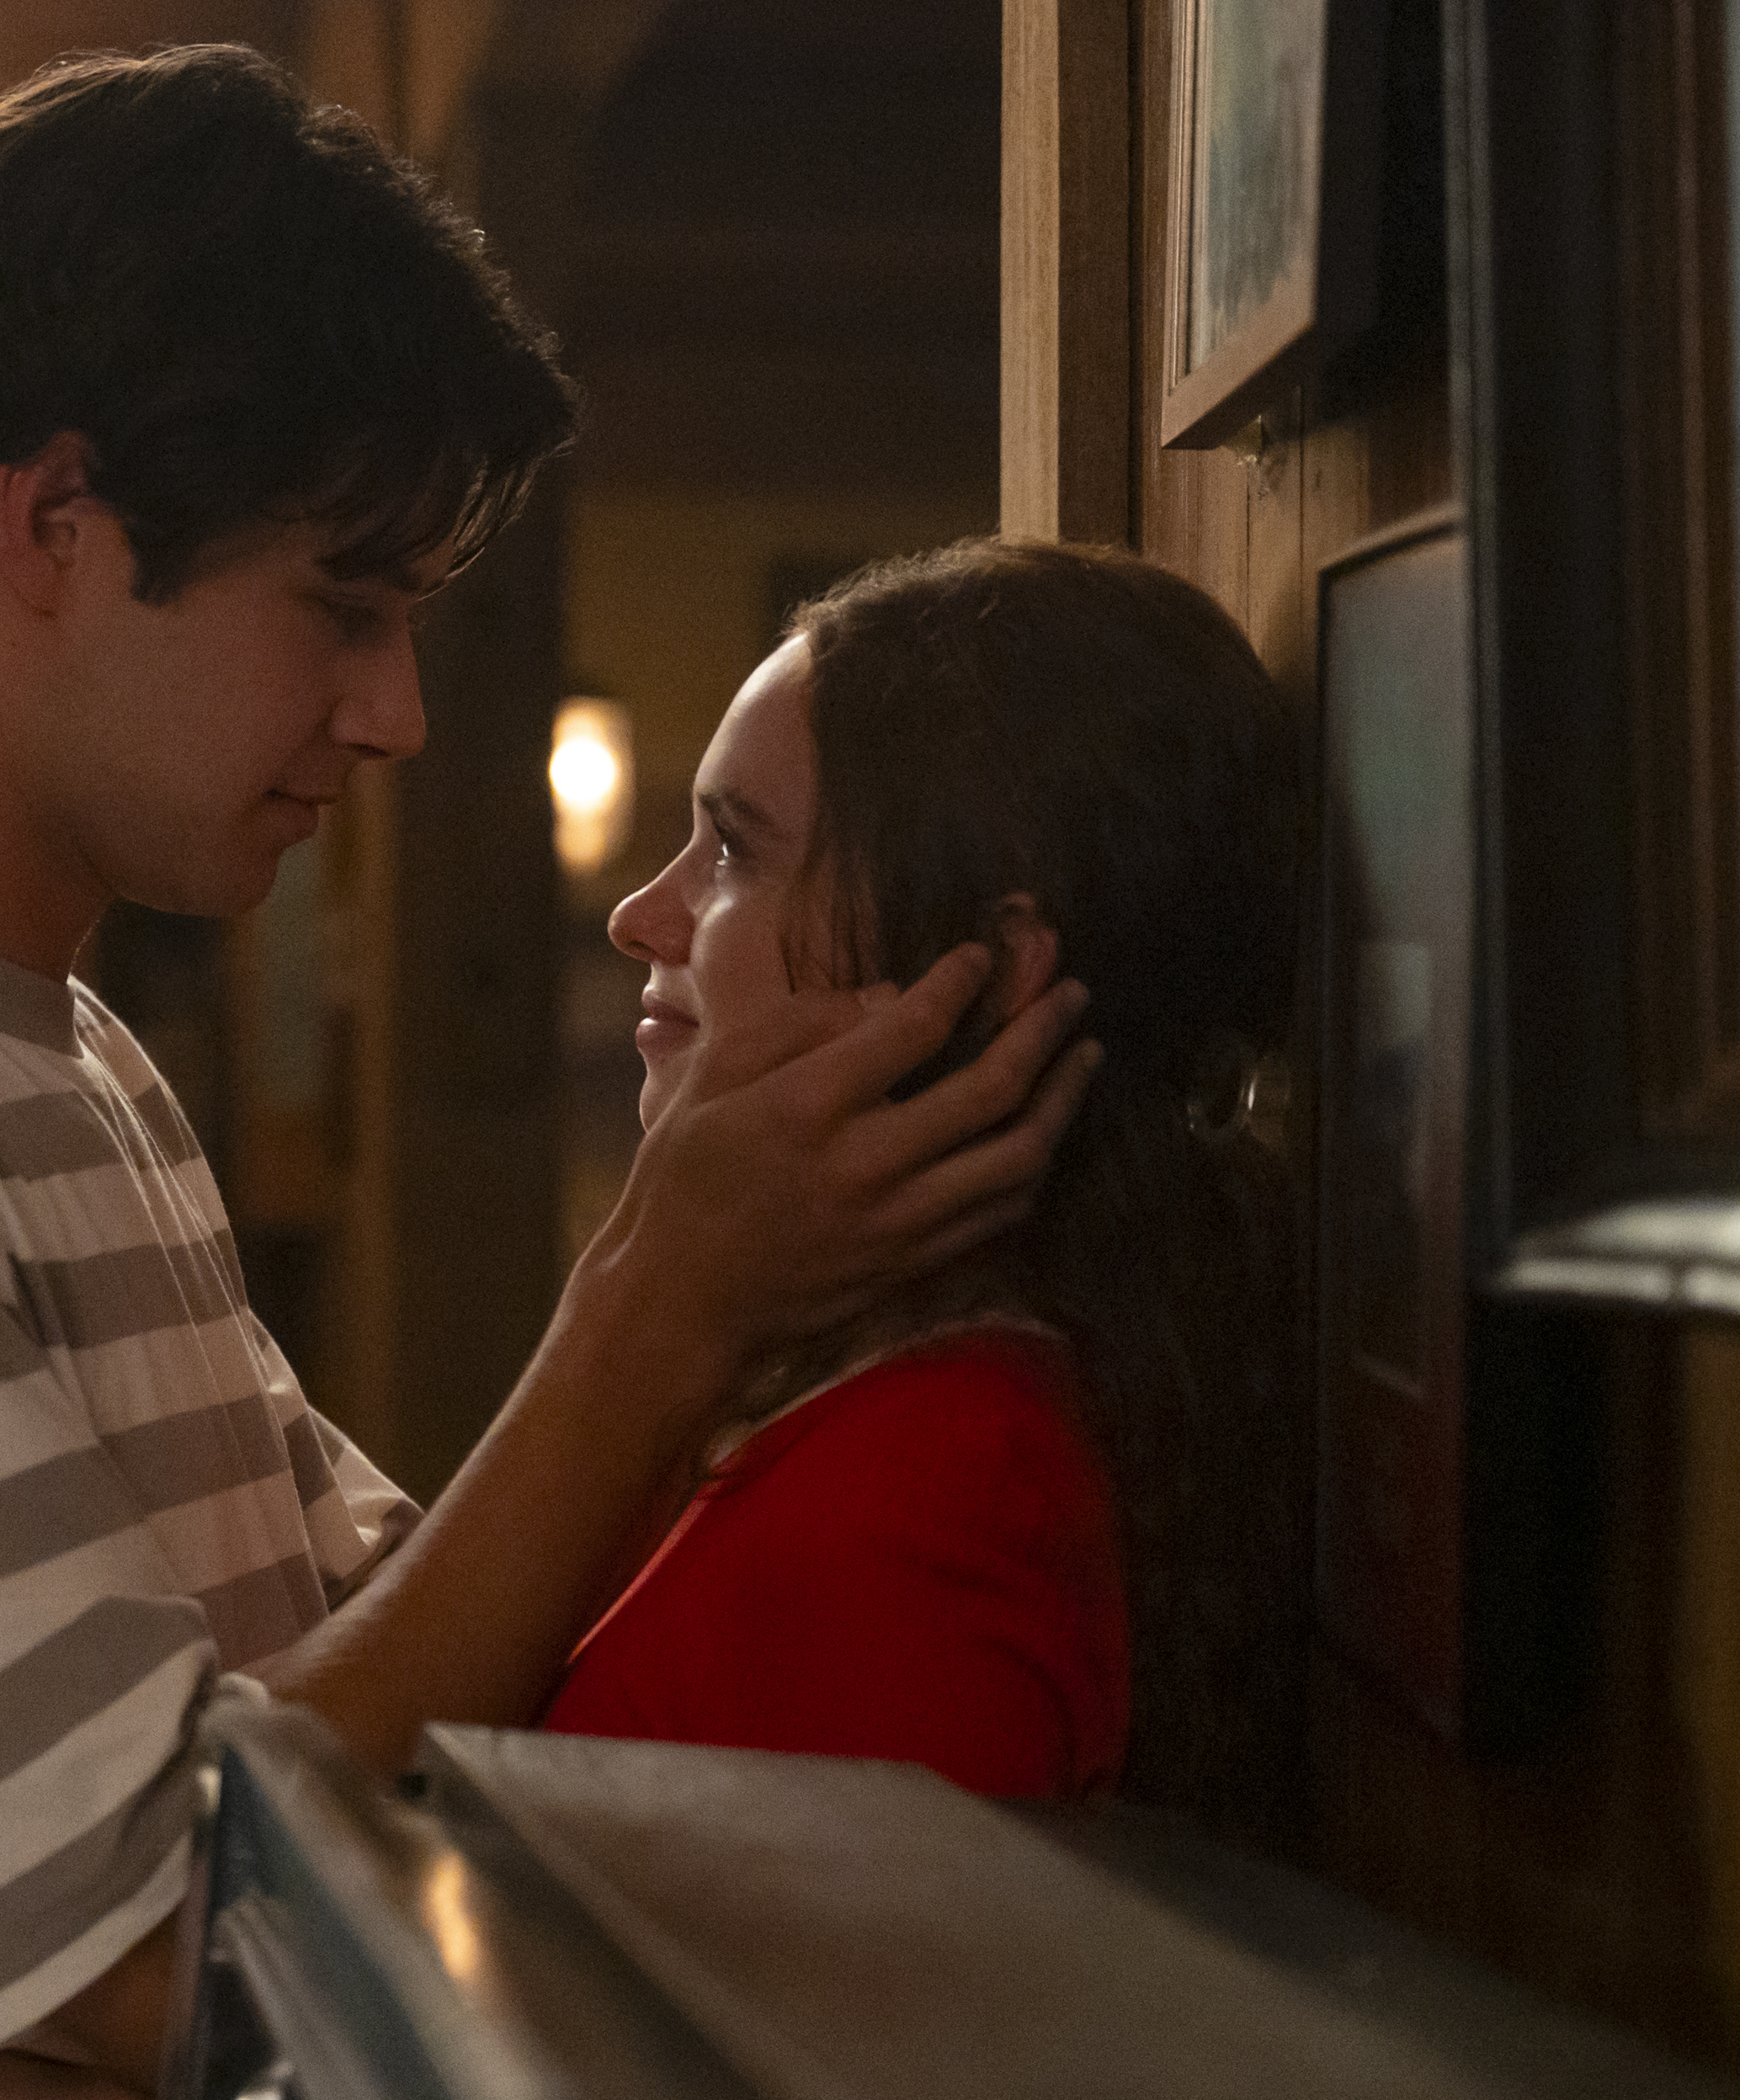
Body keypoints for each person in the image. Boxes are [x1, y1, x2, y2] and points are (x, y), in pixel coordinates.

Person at [0, 49, 1095, 2100]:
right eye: (343, 604)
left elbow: (410, 1696)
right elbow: (162, 1929)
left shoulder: (53, 1051)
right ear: (47, 520)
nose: (397, 711)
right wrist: (657, 1299)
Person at [540, 538, 1300, 1804]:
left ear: (993, 970)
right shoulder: (878, 1390)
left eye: (732, 851)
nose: (642, 916)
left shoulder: (936, 1491)